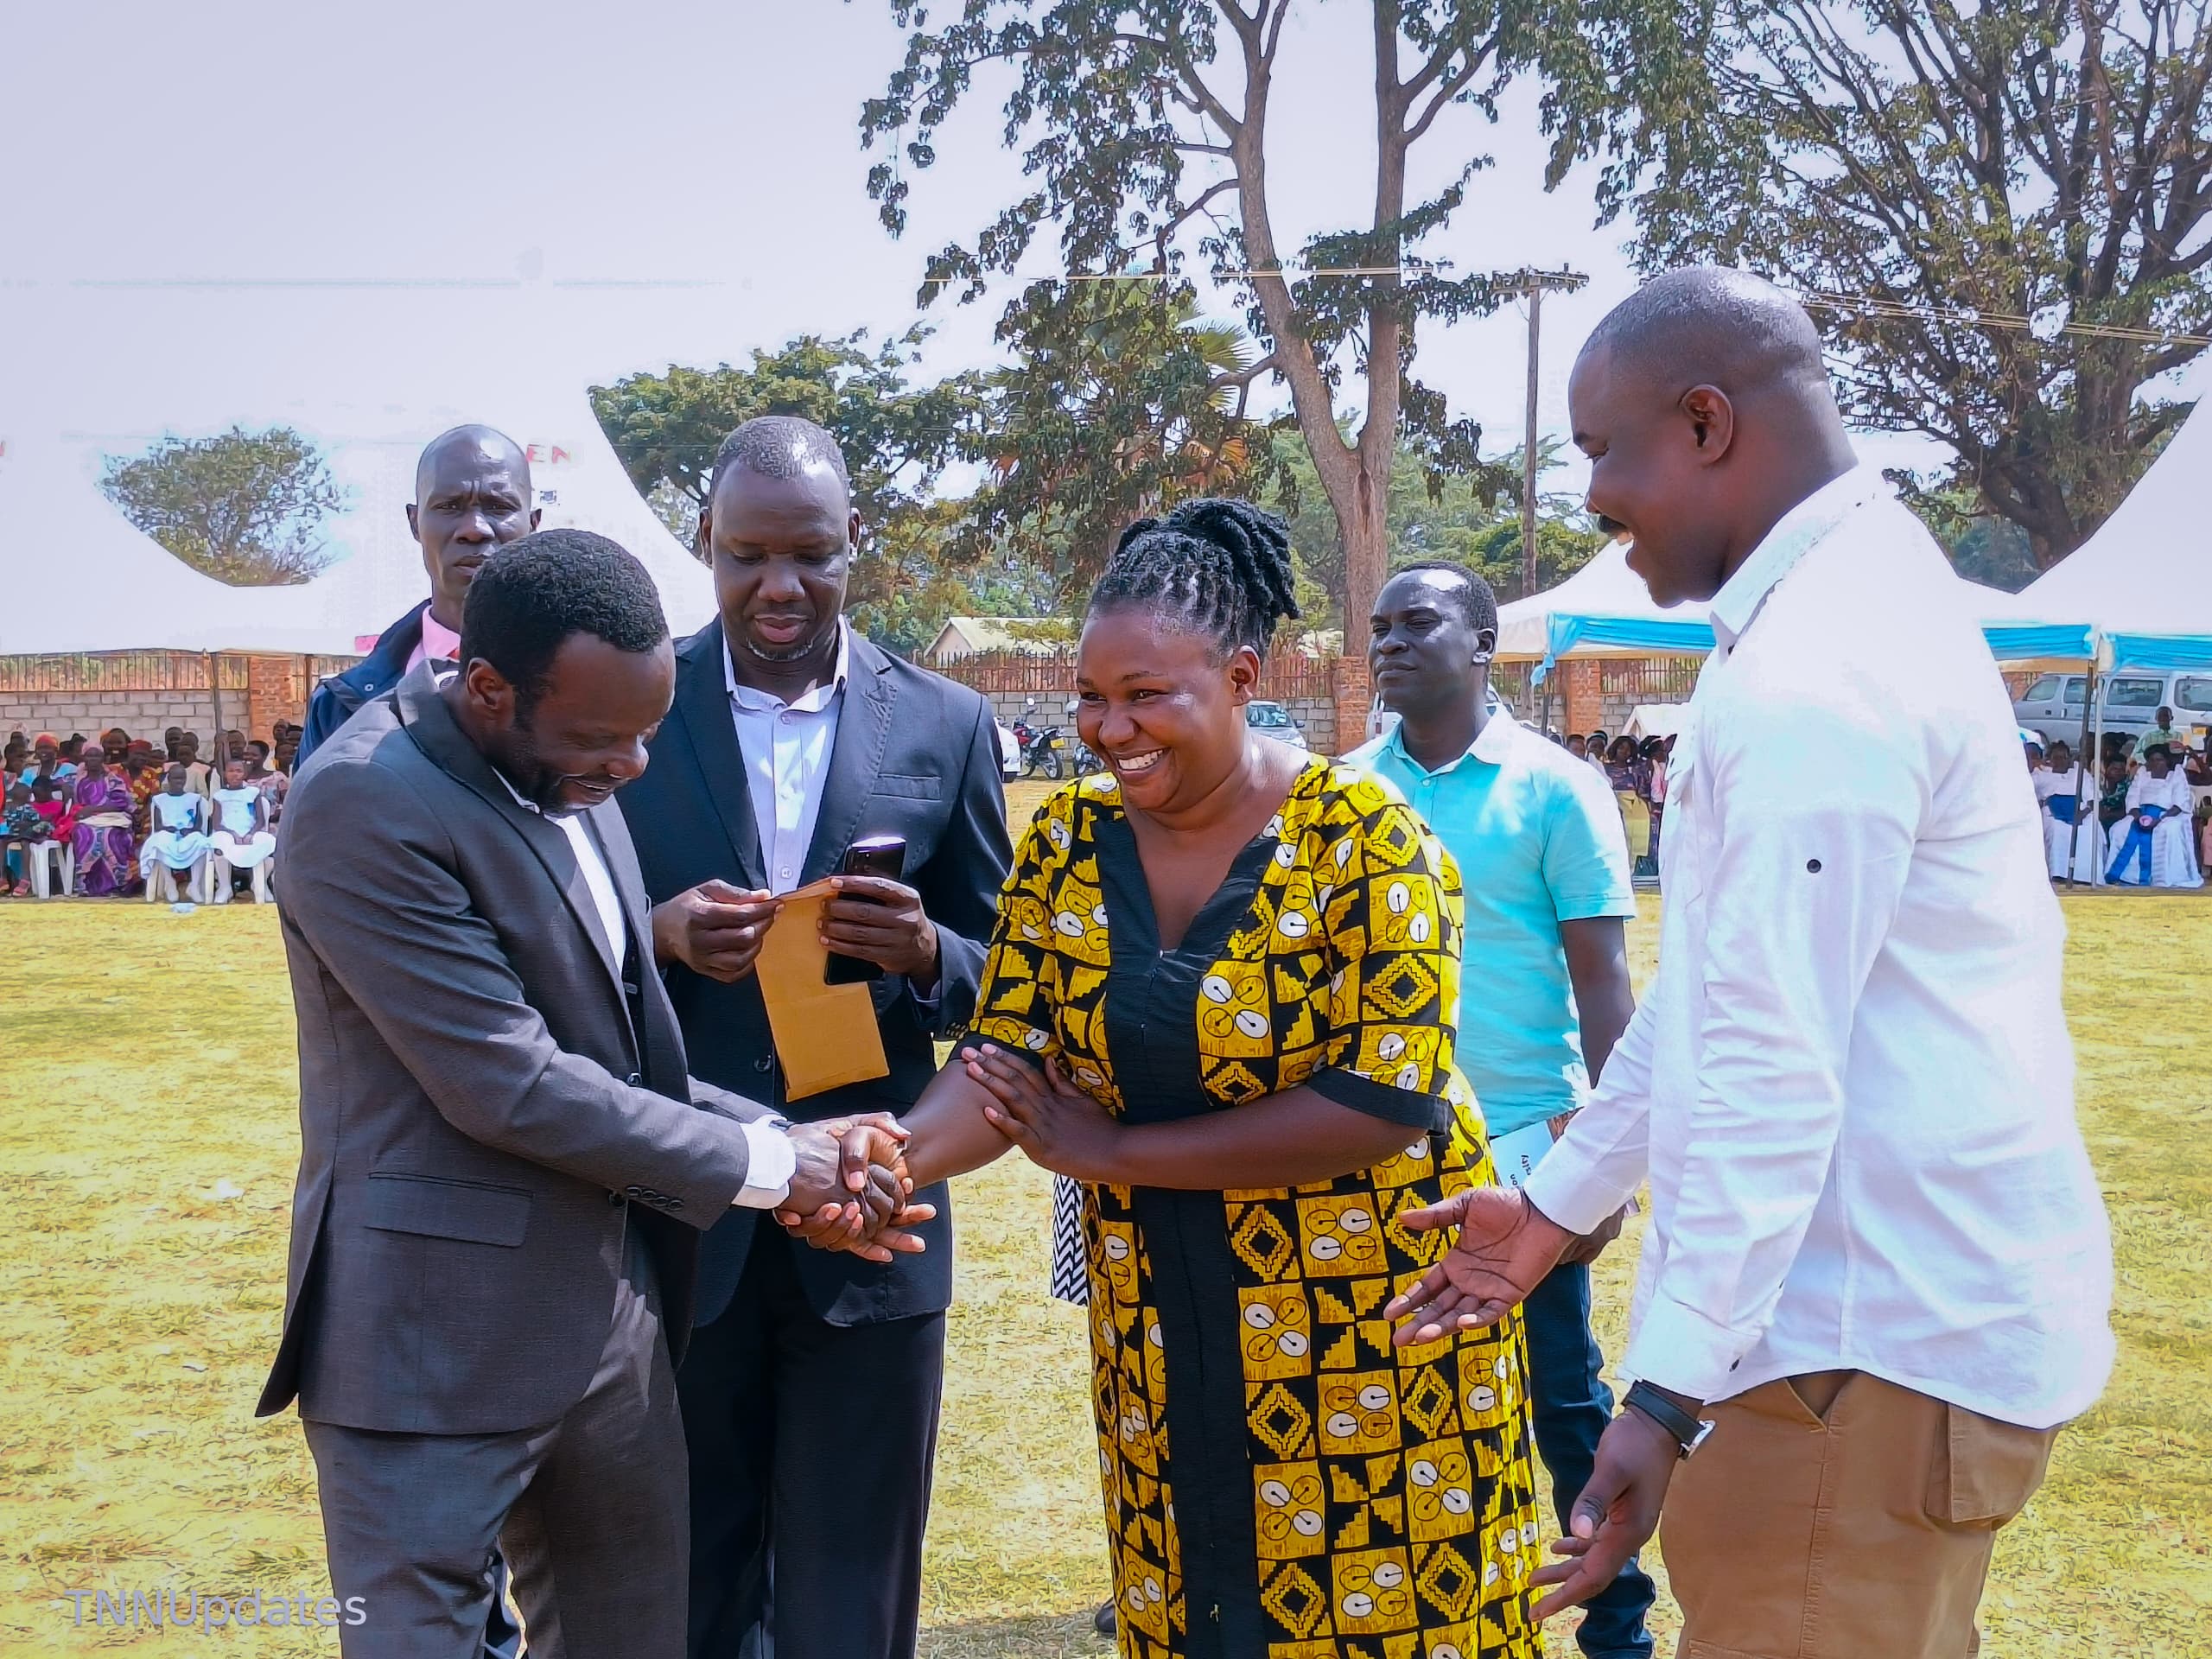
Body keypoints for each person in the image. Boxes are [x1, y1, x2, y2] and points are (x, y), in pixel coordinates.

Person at [1388, 270, 2113, 1659]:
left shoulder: (1817, 674)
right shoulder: (1831, 619)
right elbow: (1713, 998)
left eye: (1604, 450)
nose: (1595, 498)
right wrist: (1554, 1206)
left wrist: (1665, 1397)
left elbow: (1771, 1076)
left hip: (1848, 1365)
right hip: (1854, 1354)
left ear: (1707, 423)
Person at [893, 498, 1545, 1659]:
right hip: (1162, 1326)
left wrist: (1114, 1153)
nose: (1110, 728)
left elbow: (1384, 1101)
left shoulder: (1365, 838)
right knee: (1198, 1611)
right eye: (1092, 696)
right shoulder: (1067, 843)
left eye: (1147, 695)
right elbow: (1005, 1058)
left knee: (1395, 1627)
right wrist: (886, 1162)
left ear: (1242, 676)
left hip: (1370, 1334)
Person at [257, 529, 927, 1659]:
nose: (632, 766)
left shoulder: (577, 764)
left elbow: (620, 1060)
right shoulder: (362, 803)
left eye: (646, 732)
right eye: (599, 740)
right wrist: (778, 1169)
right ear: (487, 688)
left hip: (612, 1331)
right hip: (428, 1352)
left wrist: (784, 1138)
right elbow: (508, 1080)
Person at [614, 416, 1012, 1659]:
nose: (778, 586)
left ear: (855, 544)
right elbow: (552, 945)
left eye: (810, 555)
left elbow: (1016, 987)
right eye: (747, 556)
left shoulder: (947, 723)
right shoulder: (629, 710)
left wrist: (927, 953)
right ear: (705, 542)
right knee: (688, 1588)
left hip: (875, 1214)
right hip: (682, 1215)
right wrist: (658, 934)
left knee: (854, 1594)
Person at [1353, 561, 1656, 1659]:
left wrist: (1603, 1170)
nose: (1389, 642)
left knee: (1560, 1400)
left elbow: (1603, 987)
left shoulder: (1557, 789)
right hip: (1371, 1141)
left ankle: (1615, 1629)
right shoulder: (1343, 790)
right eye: (1378, 626)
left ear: (1484, 643)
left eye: (1418, 622)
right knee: (1373, 1382)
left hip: (1526, 1152)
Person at [296, 425, 541, 769]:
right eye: (450, 506)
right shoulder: (340, 705)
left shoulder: (592, 685)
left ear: (533, 525)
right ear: (415, 523)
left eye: (499, 506)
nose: (474, 529)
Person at [2107, 743, 2202, 887]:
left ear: (2167, 760)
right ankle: (2125, 876)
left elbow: (2179, 804)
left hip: (2167, 815)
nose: (2155, 763)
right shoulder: (2143, 774)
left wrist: (2159, 819)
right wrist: (2137, 816)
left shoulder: (2176, 775)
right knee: (2119, 828)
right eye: (2152, 760)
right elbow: (2132, 797)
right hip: (2140, 814)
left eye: (2159, 760)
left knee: (2165, 830)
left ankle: (2160, 877)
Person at [209, 756, 280, 903]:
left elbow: (260, 820)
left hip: (250, 833)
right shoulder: (219, 796)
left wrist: (250, 834)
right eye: (231, 771)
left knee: (270, 843)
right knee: (219, 842)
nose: (235, 774)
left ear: (244, 773)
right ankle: (225, 887)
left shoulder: (253, 793)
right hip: (228, 834)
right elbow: (217, 823)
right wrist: (233, 834)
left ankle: (259, 883)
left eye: (238, 771)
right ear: (224, 773)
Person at [140, 764, 214, 903]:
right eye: (175, 778)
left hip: (188, 834)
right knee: (159, 841)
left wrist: (190, 830)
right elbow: (158, 825)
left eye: (182, 778)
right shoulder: (159, 799)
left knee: (202, 842)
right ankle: (170, 882)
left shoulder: (195, 799)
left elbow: (199, 825)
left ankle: (194, 885)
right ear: (169, 779)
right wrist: (167, 829)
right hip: (168, 833)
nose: (179, 781)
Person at [70, 747, 138, 896]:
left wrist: (92, 809)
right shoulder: (78, 780)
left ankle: (117, 884)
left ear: (103, 759)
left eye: (97, 756)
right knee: (84, 833)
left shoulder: (113, 779)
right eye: (89, 756)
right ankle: (86, 885)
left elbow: (120, 804)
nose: (93, 759)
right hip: (86, 821)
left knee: (110, 835)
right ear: (84, 759)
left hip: (113, 818)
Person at [2037, 739, 2102, 885]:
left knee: (2091, 828)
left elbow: (2093, 798)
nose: (2060, 761)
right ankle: (2058, 873)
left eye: (2064, 757)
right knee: (2056, 829)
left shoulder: (2080, 773)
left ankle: (2088, 875)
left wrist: (2083, 813)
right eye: (2056, 757)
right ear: (2050, 759)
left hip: (2080, 811)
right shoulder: (2042, 774)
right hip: (2053, 812)